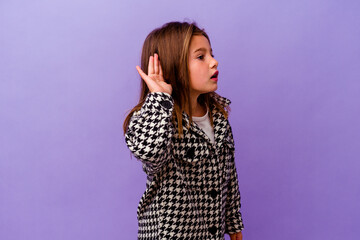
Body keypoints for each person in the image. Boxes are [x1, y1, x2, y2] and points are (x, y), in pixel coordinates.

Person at [123, 21, 244, 240]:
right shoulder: (155, 117)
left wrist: (233, 222)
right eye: (201, 57)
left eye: (211, 54)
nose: (214, 62)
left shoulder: (218, 117)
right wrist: (160, 98)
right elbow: (150, 153)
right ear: (173, 66)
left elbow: (229, 175)